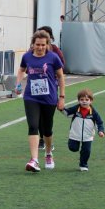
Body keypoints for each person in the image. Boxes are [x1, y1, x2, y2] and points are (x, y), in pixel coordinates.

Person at [15, 30, 65, 172]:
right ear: (33, 44)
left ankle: (48, 154)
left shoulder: (53, 58)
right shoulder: (27, 57)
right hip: (31, 97)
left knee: (47, 130)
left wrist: (62, 97)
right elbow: (21, 70)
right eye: (38, 44)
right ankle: (34, 160)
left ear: (47, 44)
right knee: (33, 126)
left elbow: (61, 76)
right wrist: (18, 84)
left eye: (43, 45)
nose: (40, 47)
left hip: (49, 98)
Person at [36, 25, 65, 152]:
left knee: (47, 117)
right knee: (36, 116)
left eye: (46, 35)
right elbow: (25, 65)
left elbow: (61, 66)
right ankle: (41, 139)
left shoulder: (55, 51)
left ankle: (47, 138)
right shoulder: (33, 51)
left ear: (50, 38)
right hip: (36, 88)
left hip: (51, 87)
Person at [61, 89, 105, 172]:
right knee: (73, 148)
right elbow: (67, 112)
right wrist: (61, 109)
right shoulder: (76, 109)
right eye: (81, 100)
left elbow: (99, 123)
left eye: (87, 100)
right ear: (78, 100)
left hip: (88, 136)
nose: (84, 102)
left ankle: (83, 164)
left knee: (86, 151)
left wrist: (101, 131)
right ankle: (77, 149)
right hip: (75, 135)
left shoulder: (94, 113)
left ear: (91, 101)